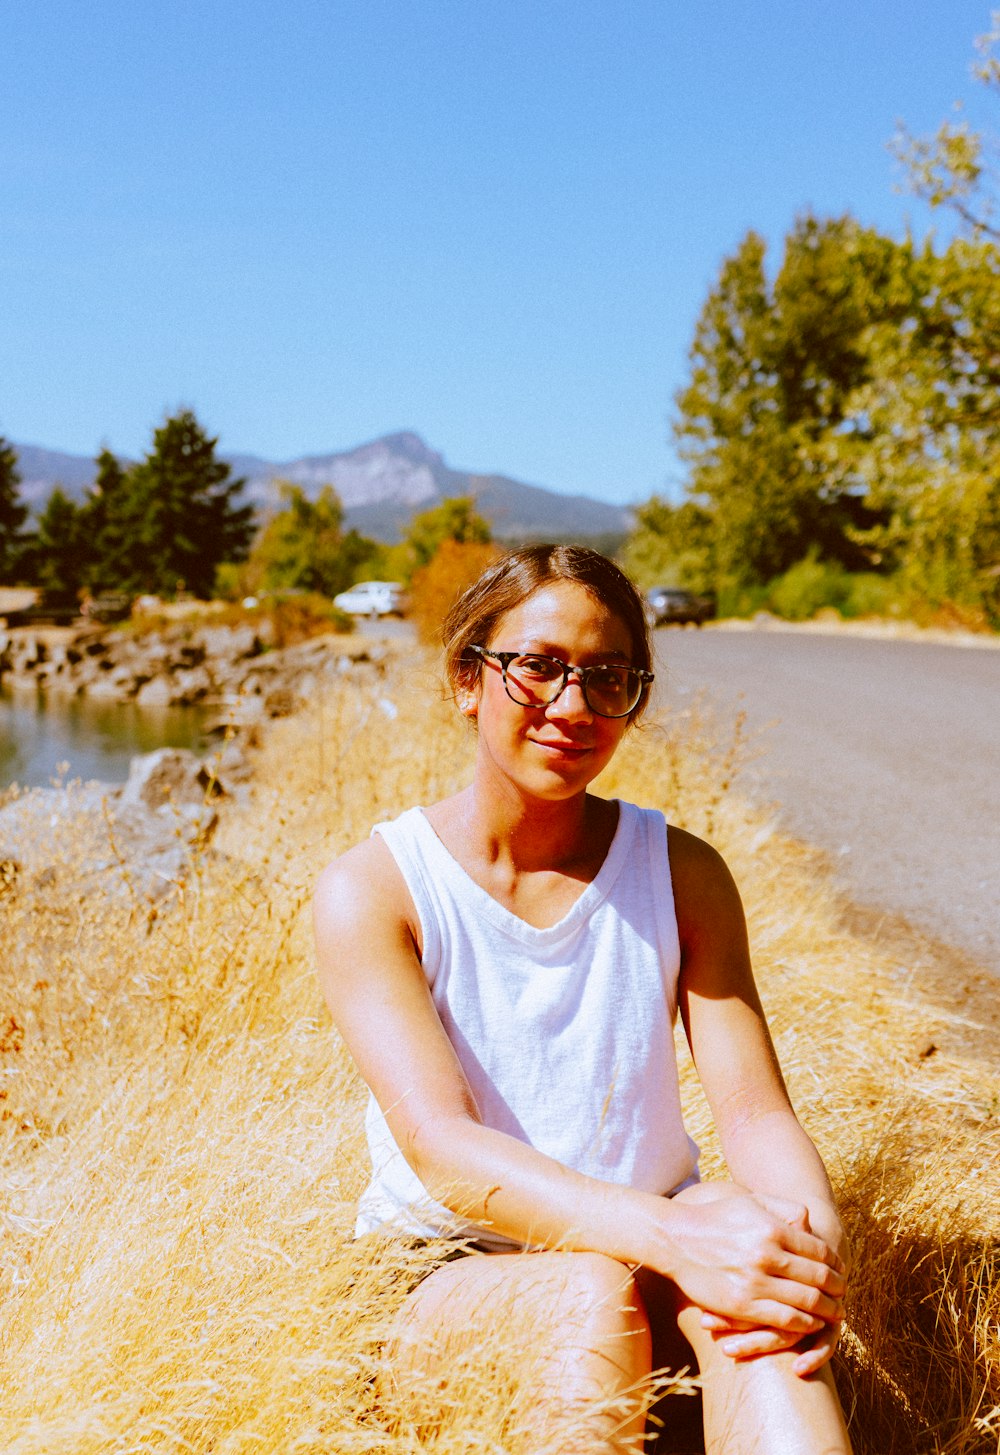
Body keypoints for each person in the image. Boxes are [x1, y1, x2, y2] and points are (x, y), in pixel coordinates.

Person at [314, 545, 854, 1454]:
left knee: (773, 1331)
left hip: (650, 1250)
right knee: (584, 1294)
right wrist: (682, 1238)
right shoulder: (376, 889)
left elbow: (756, 1112)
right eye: (538, 668)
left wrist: (808, 1259)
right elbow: (446, 1153)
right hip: (448, 1279)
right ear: (466, 680)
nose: (572, 706)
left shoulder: (684, 873)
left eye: (608, 678)